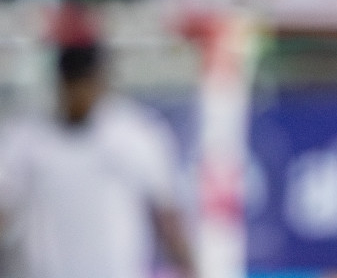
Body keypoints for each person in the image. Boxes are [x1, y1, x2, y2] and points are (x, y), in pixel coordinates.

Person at [0, 40, 198, 278]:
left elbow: (166, 217)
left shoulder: (135, 136)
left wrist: (190, 268)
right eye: (74, 84)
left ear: (101, 82)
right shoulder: (27, 140)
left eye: (87, 83)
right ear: (62, 84)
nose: (81, 94)